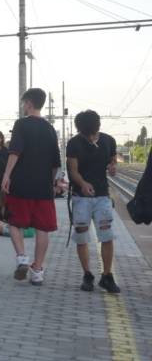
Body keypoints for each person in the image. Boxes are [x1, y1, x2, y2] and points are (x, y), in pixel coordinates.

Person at [1, 88, 61, 286]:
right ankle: (37, 271)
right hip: (43, 187)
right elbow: (55, 164)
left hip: (21, 183)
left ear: (28, 103)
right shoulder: (50, 129)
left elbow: (14, 152)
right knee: (42, 228)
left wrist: (7, 175)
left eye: (23, 103)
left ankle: (22, 258)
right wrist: (50, 182)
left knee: (14, 222)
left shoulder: (21, 125)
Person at [66, 110, 121, 293]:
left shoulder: (108, 140)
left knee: (106, 235)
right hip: (81, 197)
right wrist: (82, 183)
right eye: (85, 134)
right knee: (82, 235)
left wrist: (113, 166)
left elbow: (112, 160)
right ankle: (87, 274)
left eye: (91, 133)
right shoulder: (74, 143)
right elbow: (72, 170)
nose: (89, 137)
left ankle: (107, 275)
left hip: (103, 196)